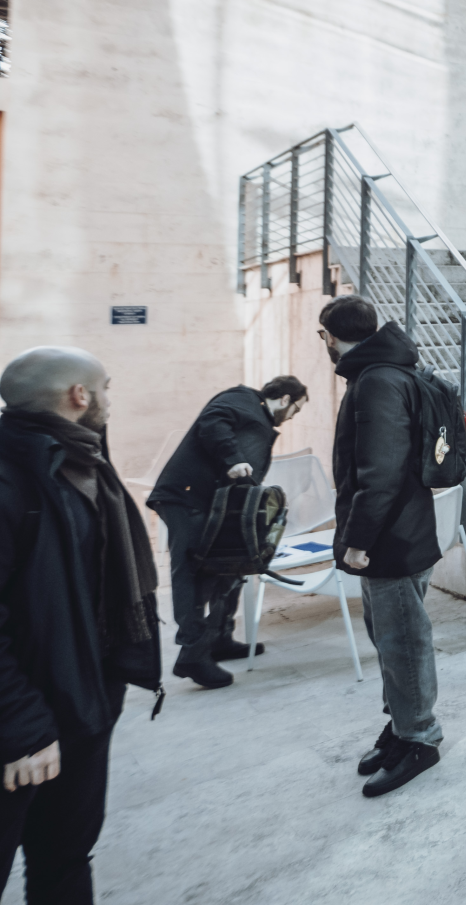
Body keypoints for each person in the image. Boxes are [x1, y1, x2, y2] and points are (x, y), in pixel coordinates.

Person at [0, 346, 162, 902]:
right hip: (23, 720)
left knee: (65, 858)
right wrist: (22, 727)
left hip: (85, 700)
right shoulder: (13, 478)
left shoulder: (82, 456)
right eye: (106, 388)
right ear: (79, 395)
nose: (110, 400)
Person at [320, 295, 444, 798]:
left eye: (324, 335)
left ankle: (420, 738)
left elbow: (381, 472)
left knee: (403, 644)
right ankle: (402, 726)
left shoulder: (377, 381)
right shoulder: (382, 373)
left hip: (390, 539)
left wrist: (357, 541)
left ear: (330, 335)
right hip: (397, 533)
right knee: (391, 642)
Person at [146, 376, 308, 688]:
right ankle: (192, 655)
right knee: (192, 571)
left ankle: (220, 638)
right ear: (286, 399)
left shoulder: (258, 415)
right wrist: (233, 459)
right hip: (186, 498)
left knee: (230, 565)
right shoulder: (242, 398)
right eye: (296, 410)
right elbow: (213, 420)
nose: (292, 417)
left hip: (211, 503)